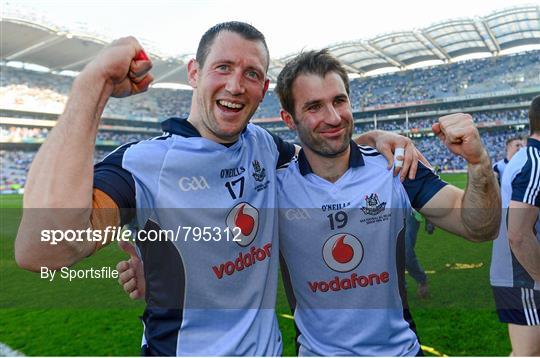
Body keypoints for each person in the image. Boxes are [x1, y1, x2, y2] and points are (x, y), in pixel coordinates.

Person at [15, 22, 419, 356]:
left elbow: (325, 149)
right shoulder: (141, 165)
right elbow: (43, 248)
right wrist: (93, 84)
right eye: (223, 67)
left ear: (262, 90)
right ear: (194, 72)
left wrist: (376, 137)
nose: (236, 85)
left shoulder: (264, 147)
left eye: (252, 74)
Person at [120, 49, 501, 356]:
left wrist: (478, 163)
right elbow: (213, 224)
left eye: (339, 101)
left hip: (399, 351)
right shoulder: (271, 183)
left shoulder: (394, 168)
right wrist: (151, 264)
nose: (333, 117)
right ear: (289, 119)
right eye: (314, 107)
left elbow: (478, 226)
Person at [490, 96, 540, 356]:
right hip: (523, 278)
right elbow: (519, 235)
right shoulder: (534, 162)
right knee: (529, 353)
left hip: (523, 275)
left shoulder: (528, 158)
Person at [405, 211, 429, 299]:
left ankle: (422, 280)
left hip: (411, 215)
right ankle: (400, 286)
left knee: (406, 252)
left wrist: (430, 220)